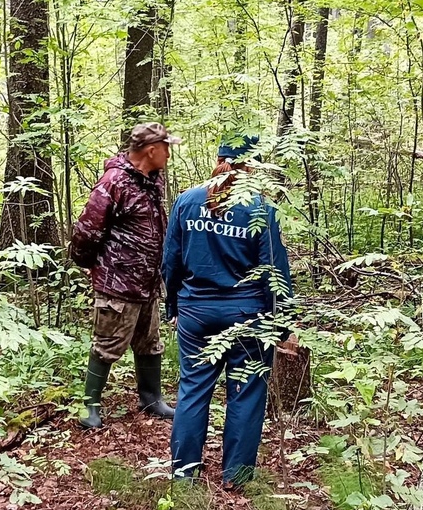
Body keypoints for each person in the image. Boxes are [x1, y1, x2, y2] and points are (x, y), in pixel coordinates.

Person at [163, 134, 292, 487]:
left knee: (192, 389)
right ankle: (236, 474)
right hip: (248, 315)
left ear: (218, 157)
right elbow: (275, 271)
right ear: (252, 165)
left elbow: (170, 261)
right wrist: (282, 324)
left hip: (196, 314)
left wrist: (173, 305)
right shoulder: (260, 208)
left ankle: (183, 473)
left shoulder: (187, 201)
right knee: (247, 393)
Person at [68, 122, 181, 429]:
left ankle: (151, 399)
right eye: (167, 148)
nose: (170, 154)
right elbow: (87, 231)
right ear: (152, 150)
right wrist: (101, 268)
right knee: (107, 344)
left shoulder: (152, 181)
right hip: (118, 283)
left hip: (147, 282)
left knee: (149, 341)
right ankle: (89, 406)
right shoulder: (114, 182)